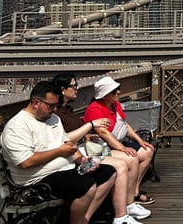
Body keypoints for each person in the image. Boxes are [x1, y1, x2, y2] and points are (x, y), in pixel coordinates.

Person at [0, 81, 119, 224]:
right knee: (86, 185)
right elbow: (26, 162)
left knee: (108, 173)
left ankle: (83, 219)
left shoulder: (53, 119)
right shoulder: (17, 126)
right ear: (36, 103)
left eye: (56, 105)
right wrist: (59, 152)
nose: (55, 109)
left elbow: (66, 146)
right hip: (38, 180)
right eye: (51, 106)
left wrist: (82, 160)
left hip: (65, 169)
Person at [52, 73, 149, 221]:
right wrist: (90, 127)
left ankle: (128, 204)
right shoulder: (56, 114)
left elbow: (120, 124)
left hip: (88, 148)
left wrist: (87, 136)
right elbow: (64, 138)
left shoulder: (68, 110)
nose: (77, 88)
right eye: (74, 86)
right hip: (80, 154)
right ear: (63, 90)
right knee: (122, 165)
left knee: (131, 159)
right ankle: (121, 215)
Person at [83, 77, 156, 209]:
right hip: (104, 147)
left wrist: (140, 140)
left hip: (119, 141)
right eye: (114, 91)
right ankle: (127, 199)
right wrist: (122, 148)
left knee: (148, 152)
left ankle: (134, 190)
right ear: (105, 96)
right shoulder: (95, 109)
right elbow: (104, 133)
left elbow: (124, 125)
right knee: (131, 157)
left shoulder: (115, 104)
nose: (118, 92)